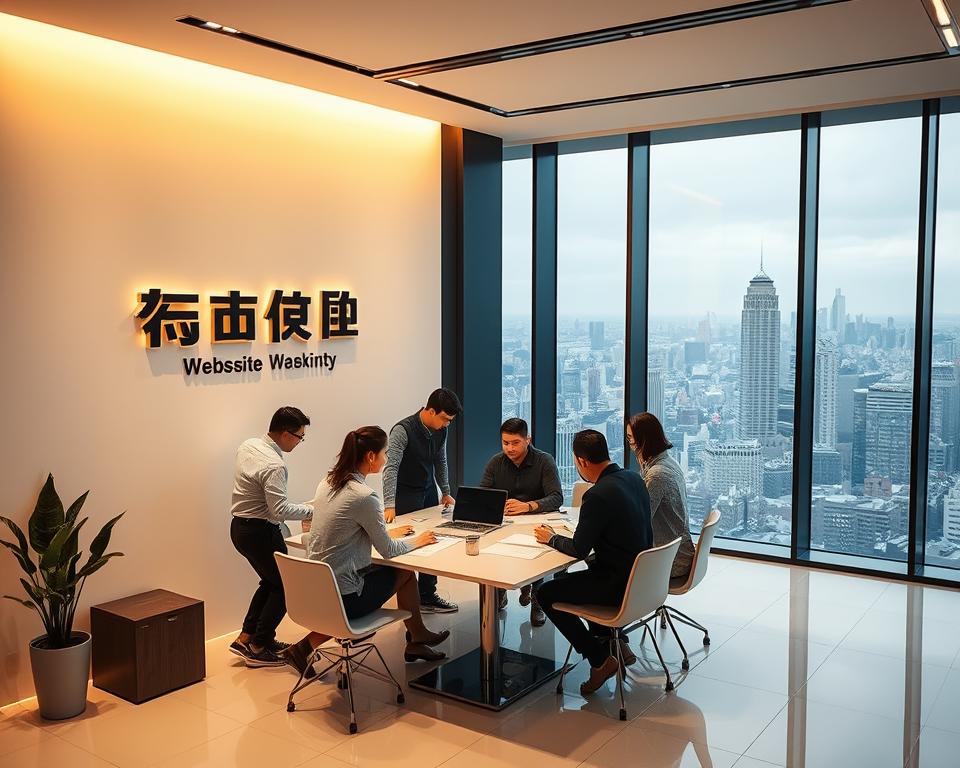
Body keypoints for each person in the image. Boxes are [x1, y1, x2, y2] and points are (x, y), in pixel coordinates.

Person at [283, 426, 449, 675]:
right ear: (371, 456)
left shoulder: (327, 482)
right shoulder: (364, 496)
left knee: (387, 570)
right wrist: (420, 540)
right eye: (384, 453)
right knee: (404, 572)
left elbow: (347, 529)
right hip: (346, 599)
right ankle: (417, 638)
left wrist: (383, 531)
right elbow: (390, 551)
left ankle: (303, 648)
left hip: (318, 592)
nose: (386, 459)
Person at [534, 430, 653, 695]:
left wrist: (551, 538)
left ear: (582, 461)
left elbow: (578, 549)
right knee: (567, 580)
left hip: (617, 586)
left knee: (546, 592)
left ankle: (599, 660)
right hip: (642, 581)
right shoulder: (634, 479)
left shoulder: (597, 495)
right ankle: (616, 641)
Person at [229, 406, 314, 668]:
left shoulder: (250, 445)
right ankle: (259, 645)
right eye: (300, 437)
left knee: (269, 582)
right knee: (285, 585)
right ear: (286, 434)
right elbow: (280, 510)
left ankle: (247, 638)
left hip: (239, 528)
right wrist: (313, 509)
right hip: (260, 531)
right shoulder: (275, 465)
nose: (300, 442)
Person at [382, 388, 462, 613]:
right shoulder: (402, 430)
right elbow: (391, 468)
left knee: (432, 539)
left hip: (428, 491)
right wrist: (389, 504)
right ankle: (407, 597)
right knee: (409, 544)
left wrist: (445, 491)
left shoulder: (441, 431)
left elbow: (441, 461)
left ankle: (427, 594)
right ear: (431, 411)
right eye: (445, 419)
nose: (447, 424)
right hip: (405, 494)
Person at [479, 417, 562, 626]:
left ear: (528, 439)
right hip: (505, 522)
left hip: (536, 522)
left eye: (515, 443)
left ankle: (537, 601)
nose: (509, 448)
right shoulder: (495, 462)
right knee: (492, 549)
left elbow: (556, 497)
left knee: (537, 549)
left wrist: (528, 506)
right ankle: (499, 592)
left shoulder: (544, 461)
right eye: (505, 443)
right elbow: (482, 494)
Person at [627, 412, 695, 580]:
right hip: (677, 551)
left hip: (671, 562)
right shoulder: (667, 462)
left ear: (643, 441)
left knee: (605, 561)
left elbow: (639, 520)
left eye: (630, 438)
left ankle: (628, 604)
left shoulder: (657, 475)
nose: (629, 444)